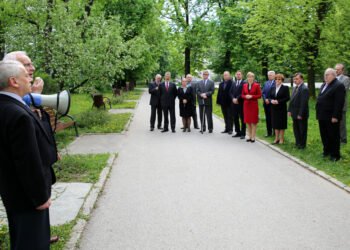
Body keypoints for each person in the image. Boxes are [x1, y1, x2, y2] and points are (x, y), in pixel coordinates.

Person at [3, 51, 60, 244]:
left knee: (23, 239)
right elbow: (27, 160)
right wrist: (40, 198)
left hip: (14, 193)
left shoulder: (7, 106)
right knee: (33, 241)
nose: (30, 79)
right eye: (24, 76)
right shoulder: (18, 113)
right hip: (28, 198)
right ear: (14, 81)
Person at [316, 68, 345, 161]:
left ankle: (335, 155)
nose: (325, 76)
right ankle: (326, 151)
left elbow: (339, 102)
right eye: (325, 74)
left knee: (333, 136)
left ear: (333, 75)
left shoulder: (338, 85)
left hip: (331, 116)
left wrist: (335, 116)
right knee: (324, 135)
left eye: (327, 75)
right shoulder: (324, 84)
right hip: (322, 115)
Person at [288, 73, 309, 149]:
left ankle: (302, 144)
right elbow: (291, 100)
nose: (295, 80)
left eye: (297, 79)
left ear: (301, 79)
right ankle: (298, 142)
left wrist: (300, 114)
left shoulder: (304, 89)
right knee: (296, 128)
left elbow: (303, 103)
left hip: (301, 113)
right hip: (294, 112)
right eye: (294, 79)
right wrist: (289, 110)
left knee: (302, 129)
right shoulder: (295, 88)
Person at [269, 73, 290, 144]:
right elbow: (269, 97)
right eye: (276, 79)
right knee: (275, 124)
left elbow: (287, 98)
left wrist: (278, 101)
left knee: (281, 124)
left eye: (279, 79)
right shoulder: (272, 88)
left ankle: (281, 139)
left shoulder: (285, 88)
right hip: (274, 108)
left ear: (282, 80)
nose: (277, 80)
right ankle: (276, 138)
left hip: (281, 108)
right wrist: (271, 101)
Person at [241, 72, 261, 142]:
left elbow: (259, 95)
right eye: (248, 77)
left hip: (253, 105)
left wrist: (252, 96)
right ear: (247, 78)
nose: (250, 78)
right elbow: (242, 95)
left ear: (253, 78)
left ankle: (253, 137)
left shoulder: (256, 85)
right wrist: (245, 96)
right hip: (246, 105)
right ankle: (249, 136)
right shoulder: (244, 85)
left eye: (251, 77)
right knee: (248, 121)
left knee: (254, 122)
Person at [335, 63, 349, 144]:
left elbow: (344, 90)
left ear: (342, 70)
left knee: (342, 124)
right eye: (335, 69)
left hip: (341, 105)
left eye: (338, 69)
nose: (336, 71)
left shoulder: (346, 79)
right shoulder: (334, 78)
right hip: (333, 105)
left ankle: (343, 139)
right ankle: (337, 138)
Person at [229, 70, 246, 139]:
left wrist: (237, 99)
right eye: (237, 74)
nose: (238, 75)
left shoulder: (244, 83)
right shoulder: (233, 83)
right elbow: (230, 92)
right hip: (234, 103)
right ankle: (237, 132)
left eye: (239, 74)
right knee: (235, 118)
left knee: (242, 118)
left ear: (242, 75)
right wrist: (233, 98)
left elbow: (243, 93)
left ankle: (243, 133)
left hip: (241, 103)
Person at [262, 71, 276, 137]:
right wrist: (265, 99)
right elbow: (263, 93)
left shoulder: (276, 83)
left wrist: (270, 100)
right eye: (268, 75)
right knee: (268, 118)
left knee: (274, 118)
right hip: (266, 103)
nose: (269, 76)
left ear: (274, 76)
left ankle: (275, 132)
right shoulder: (266, 83)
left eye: (270, 75)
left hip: (273, 103)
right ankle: (269, 132)